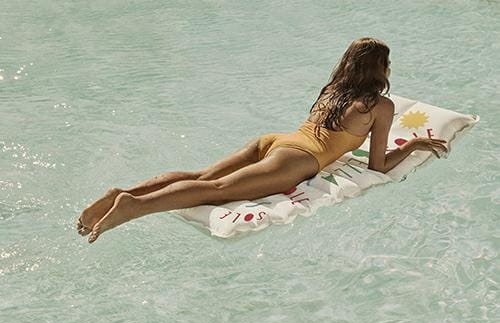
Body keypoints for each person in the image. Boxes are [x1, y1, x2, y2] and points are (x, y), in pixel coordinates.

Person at [77, 37, 447, 243]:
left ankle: (125, 191)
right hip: (297, 160)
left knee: (203, 175)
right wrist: (413, 145)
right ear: (381, 68)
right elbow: (377, 165)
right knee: (218, 190)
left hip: (274, 142)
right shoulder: (379, 105)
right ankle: (133, 206)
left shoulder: (334, 89)